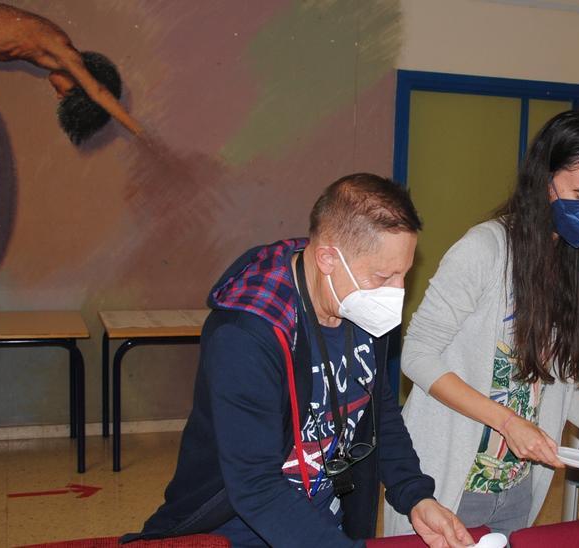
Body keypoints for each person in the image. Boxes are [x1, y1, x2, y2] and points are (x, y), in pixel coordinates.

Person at [127, 174, 472, 548]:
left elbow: (377, 408)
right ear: (327, 258)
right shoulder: (245, 336)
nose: (396, 294)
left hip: (320, 526)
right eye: (383, 276)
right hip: (235, 532)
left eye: (404, 275)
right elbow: (256, 487)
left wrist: (414, 494)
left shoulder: (360, 303)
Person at [383, 110, 579, 538]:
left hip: (516, 492)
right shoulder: (484, 250)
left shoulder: (571, 268)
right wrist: (508, 421)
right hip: (448, 484)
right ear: (544, 178)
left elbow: (560, 392)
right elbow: (417, 353)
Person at [0, 0, 143, 144]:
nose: (58, 96)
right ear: (81, 83)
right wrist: (139, 132)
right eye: (65, 94)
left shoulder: (54, 54)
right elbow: (98, 93)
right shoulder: (64, 53)